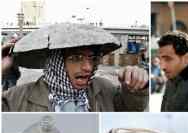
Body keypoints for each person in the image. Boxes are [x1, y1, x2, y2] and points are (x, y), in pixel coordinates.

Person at [2, 24, 148, 112]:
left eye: (91, 58)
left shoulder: (104, 89)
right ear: (55, 62)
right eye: (76, 58)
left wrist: (135, 87)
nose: (88, 67)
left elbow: (132, 108)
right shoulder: (18, 98)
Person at [158, 31, 188, 111]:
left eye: (168, 59)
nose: (162, 66)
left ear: (186, 58)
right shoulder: (171, 80)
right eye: (160, 59)